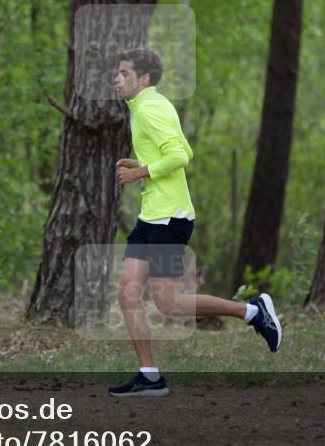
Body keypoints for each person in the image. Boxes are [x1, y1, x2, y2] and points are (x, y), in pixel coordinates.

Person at [108, 47, 282, 397]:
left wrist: (141, 171)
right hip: (152, 215)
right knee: (128, 292)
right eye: (118, 73)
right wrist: (140, 164)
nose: (117, 78)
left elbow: (181, 154)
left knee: (169, 303)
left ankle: (253, 312)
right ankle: (150, 376)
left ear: (144, 78)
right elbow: (166, 154)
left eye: (125, 73)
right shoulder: (143, 107)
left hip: (169, 219)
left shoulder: (151, 107)